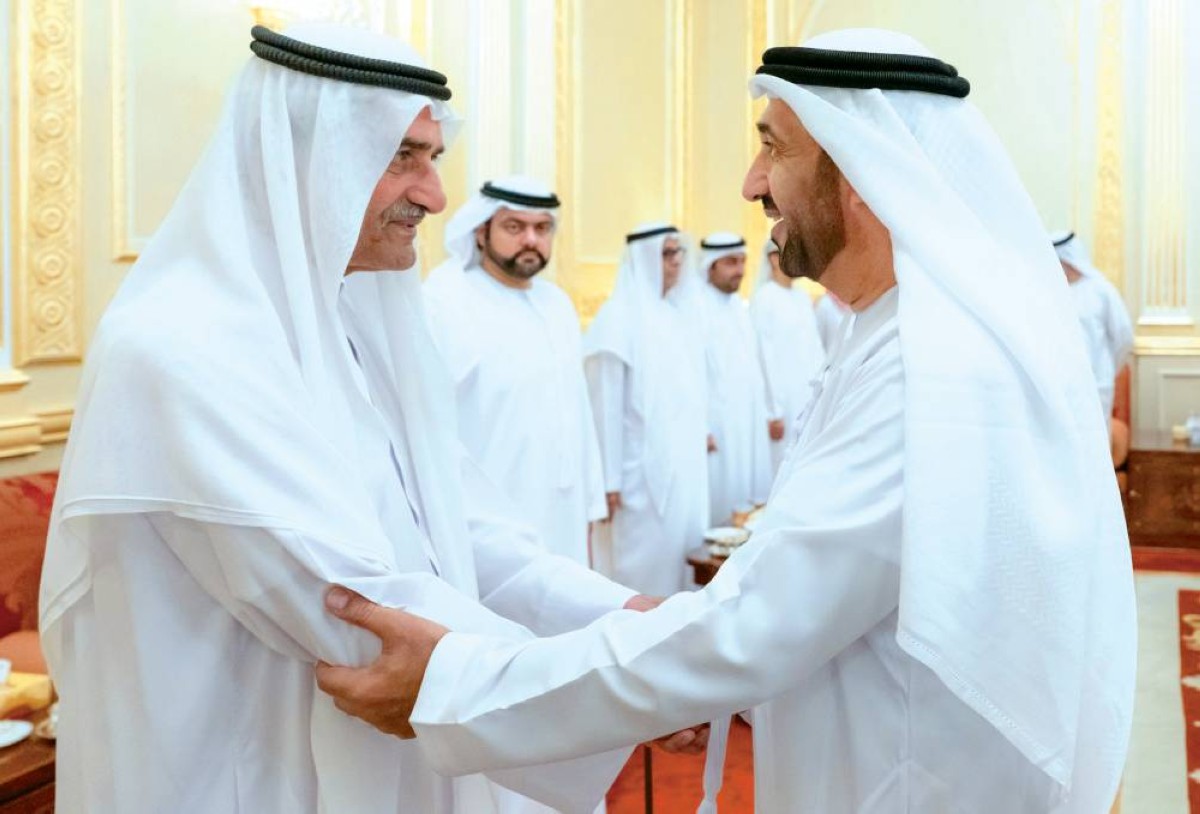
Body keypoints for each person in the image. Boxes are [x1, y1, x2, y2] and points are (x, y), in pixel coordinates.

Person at [315, 29, 1136, 813]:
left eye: (774, 148)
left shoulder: (935, 365)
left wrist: (461, 689)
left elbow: (757, 625)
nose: (751, 183)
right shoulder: (895, 330)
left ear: (861, 171)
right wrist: (654, 628)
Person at [38, 23, 646, 814]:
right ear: (303, 156)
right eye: (402, 157)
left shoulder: (353, 321)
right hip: (242, 776)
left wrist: (624, 617)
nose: (434, 196)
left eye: (433, 158)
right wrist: (629, 685)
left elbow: (458, 530)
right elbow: (354, 607)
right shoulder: (179, 345)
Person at [424, 176, 606, 571]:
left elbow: (578, 415)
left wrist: (591, 507)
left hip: (564, 512)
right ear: (480, 231)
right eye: (514, 227)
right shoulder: (446, 299)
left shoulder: (557, 304)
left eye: (542, 228)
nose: (531, 240)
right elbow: (427, 423)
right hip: (488, 516)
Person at [583, 224, 709, 595]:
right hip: (635, 477)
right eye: (666, 254)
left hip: (683, 469)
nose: (676, 262)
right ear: (643, 259)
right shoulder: (617, 317)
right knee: (639, 571)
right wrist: (608, 481)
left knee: (681, 562)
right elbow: (605, 406)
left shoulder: (675, 315)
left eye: (678, 252)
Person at [695, 232, 773, 523]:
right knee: (718, 498)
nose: (739, 270)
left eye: (742, 261)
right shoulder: (695, 308)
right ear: (710, 265)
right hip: (715, 424)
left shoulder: (738, 307)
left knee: (744, 497)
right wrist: (701, 427)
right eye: (730, 262)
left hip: (745, 420)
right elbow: (690, 376)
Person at [750, 237, 825, 475]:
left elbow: (815, 348)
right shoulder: (764, 299)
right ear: (773, 259)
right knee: (781, 468)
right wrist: (773, 411)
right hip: (782, 406)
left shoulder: (802, 297)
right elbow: (764, 358)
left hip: (808, 398)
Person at [1052, 230, 1134, 421]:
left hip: (1097, 384)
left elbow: (1124, 338)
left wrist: (1105, 368)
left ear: (1067, 259)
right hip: (1061, 387)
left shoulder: (1101, 290)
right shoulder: (1049, 293)